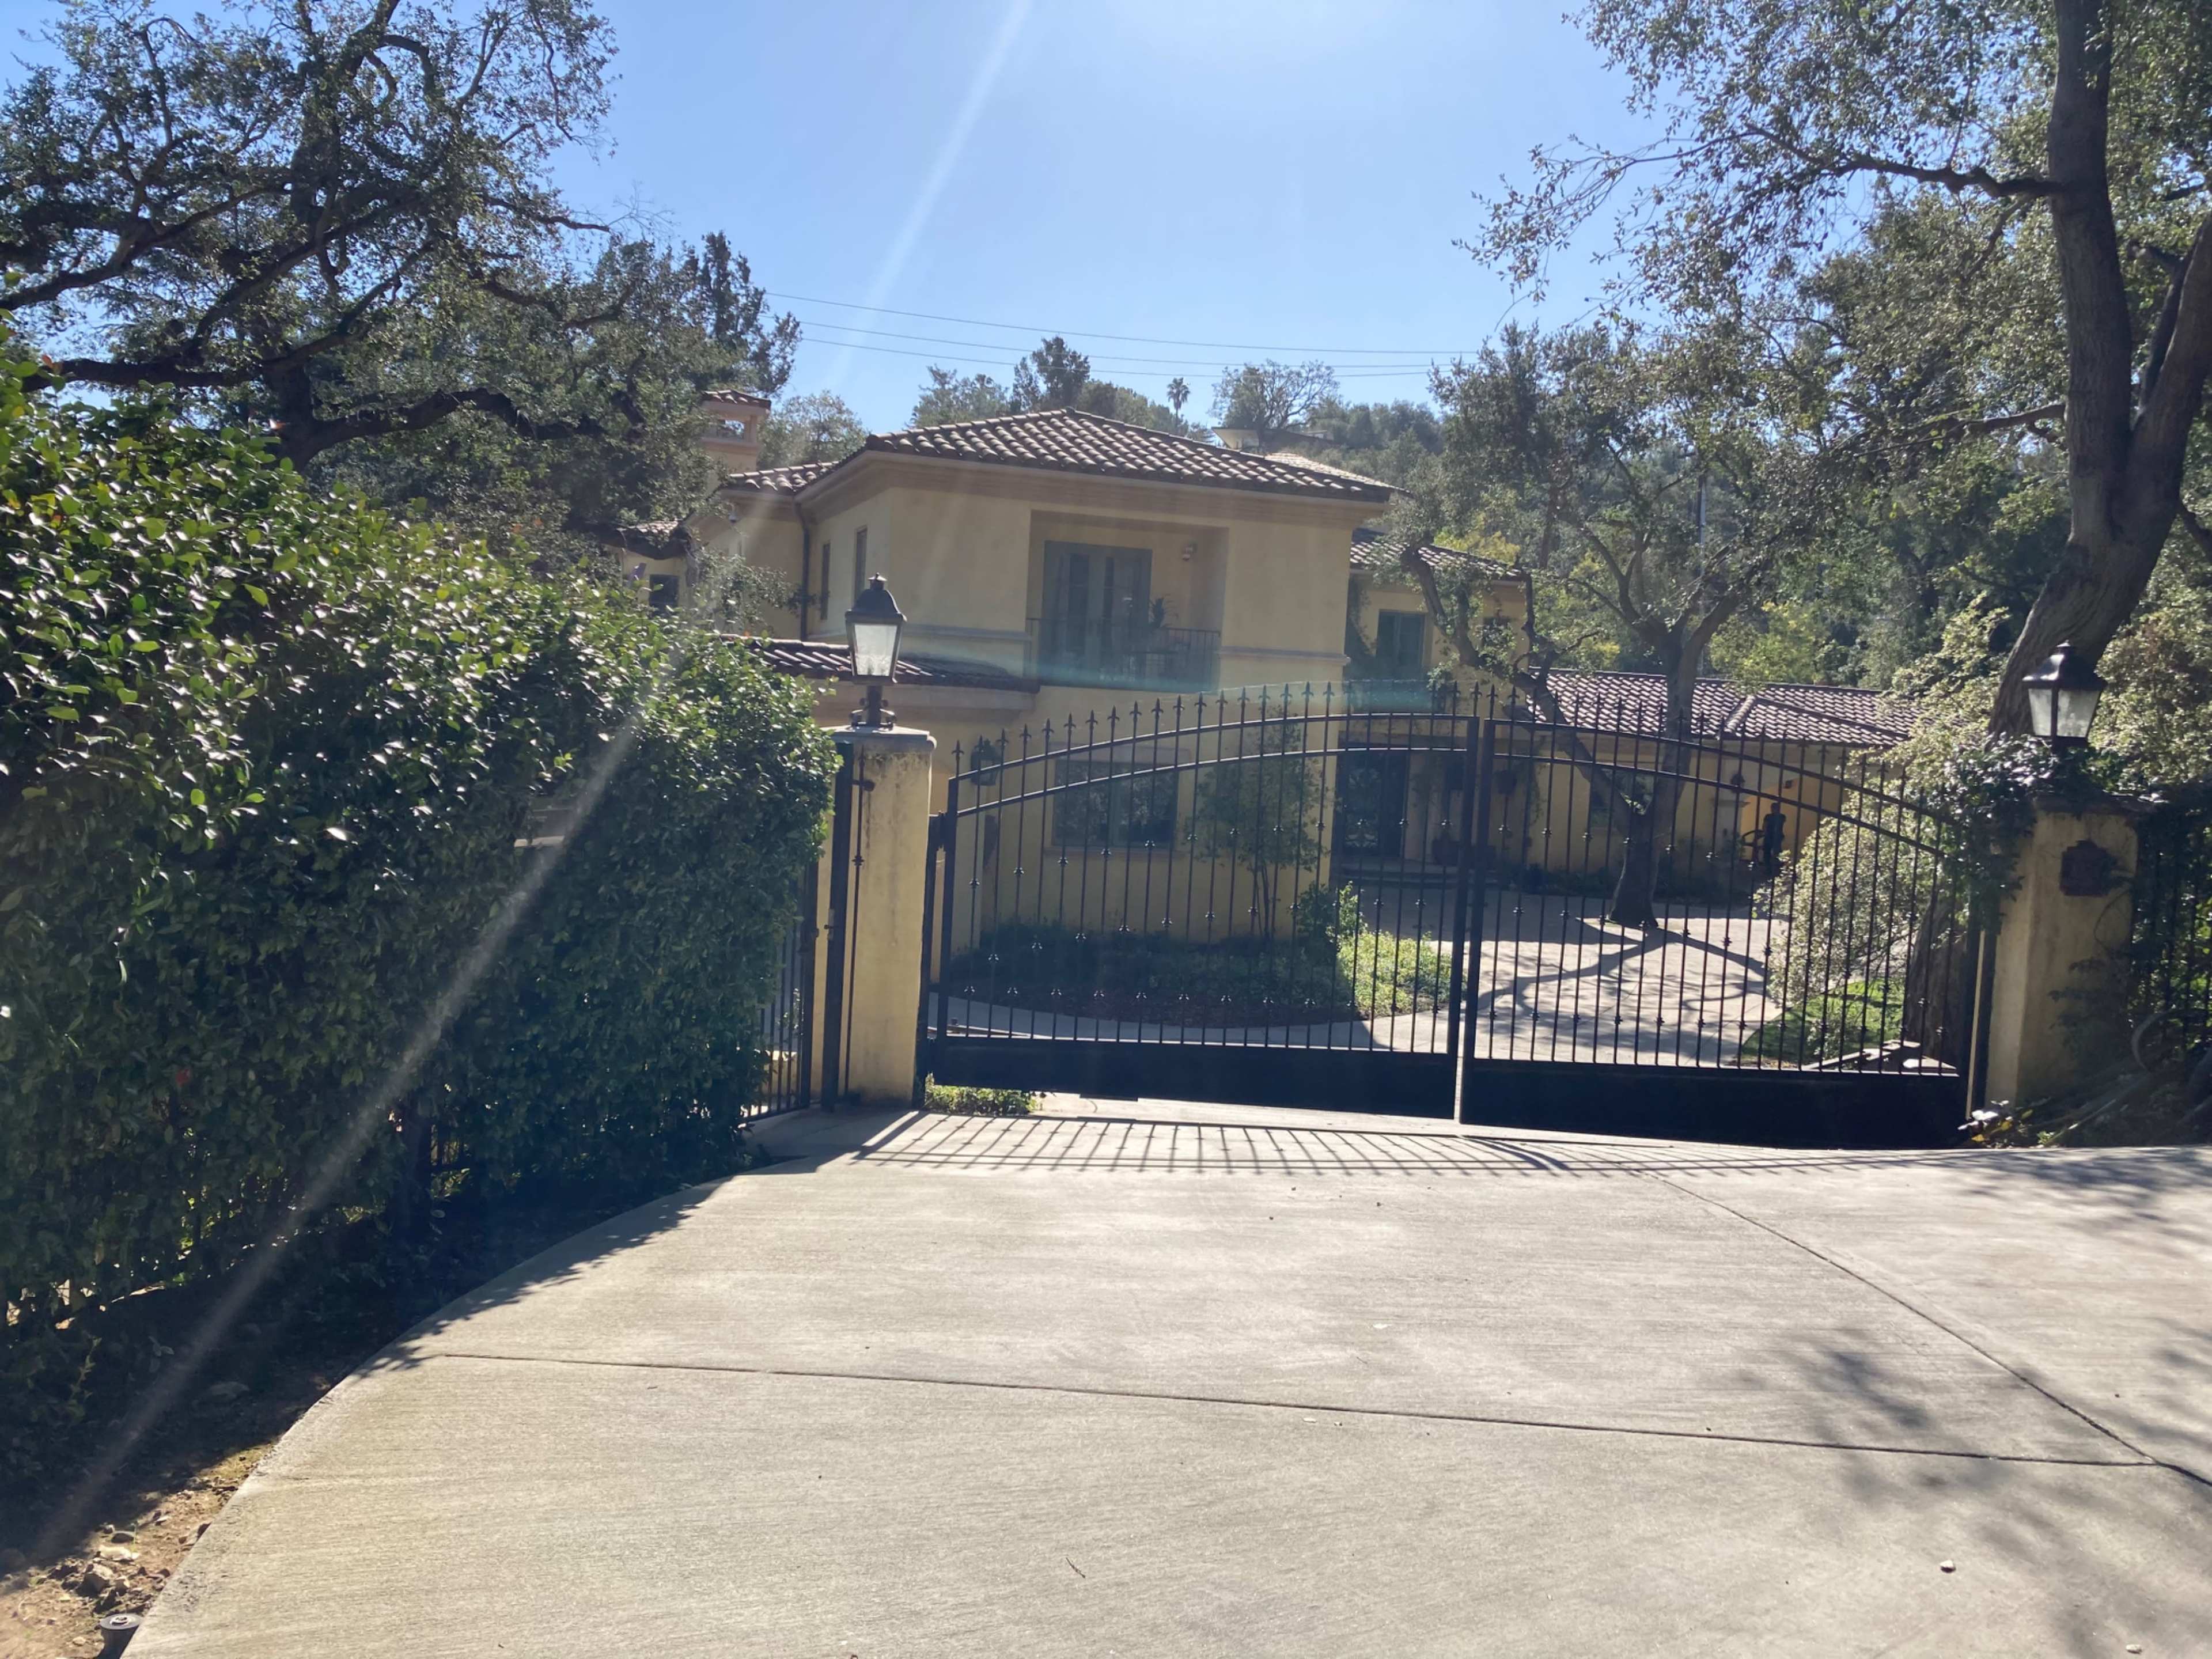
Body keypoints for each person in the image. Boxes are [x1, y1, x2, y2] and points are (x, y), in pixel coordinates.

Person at [1760, 803, 1788, 877]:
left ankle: (1777, 868)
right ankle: (1769, 869)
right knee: (1768, 853)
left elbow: (1765, 826)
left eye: (1774, 808)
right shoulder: (1771, 816)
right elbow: (1765, 826)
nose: (1772, 810)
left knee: (1777, 853)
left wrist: (1765, 832)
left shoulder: (1781, 817)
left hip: (1776, 836)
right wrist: (1765, 832)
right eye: (1772, 808)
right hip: (1770, 836)